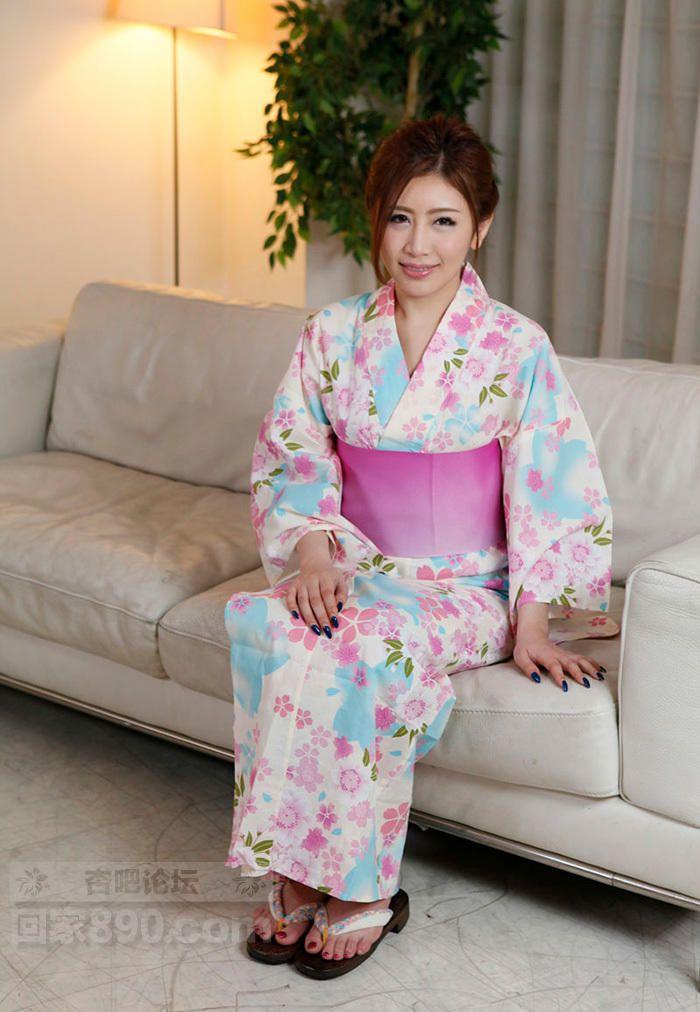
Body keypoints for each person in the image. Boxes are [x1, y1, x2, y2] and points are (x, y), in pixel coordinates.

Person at [224, 113, 620, 979]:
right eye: (400, 217)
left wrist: (533, 620)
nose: (418, 244)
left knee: (366, 647)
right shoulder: (332, 333)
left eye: (444, 220)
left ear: (481, 226)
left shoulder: (514, 346)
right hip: (352, 565)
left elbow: (552, 485)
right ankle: (296, 869)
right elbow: (294, 453)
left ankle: (361, 885)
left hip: (463, 587)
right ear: (376, 219)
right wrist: (314, 554)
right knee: (272, 624)